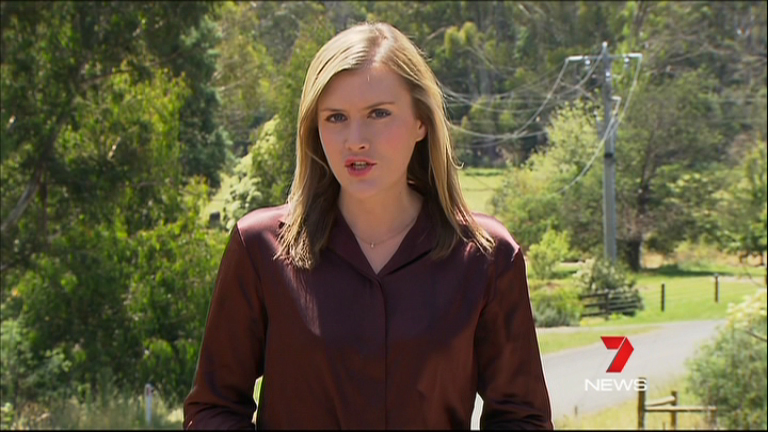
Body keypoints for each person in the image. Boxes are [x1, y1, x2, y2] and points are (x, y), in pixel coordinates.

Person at [183, 21, 553, 430]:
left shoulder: (487, 257)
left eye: (379, 113)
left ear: (421, 122)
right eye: (336, 117)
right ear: (314, 128)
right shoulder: (260, 249)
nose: (355, 139)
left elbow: (523, 418)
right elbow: (213, 409)